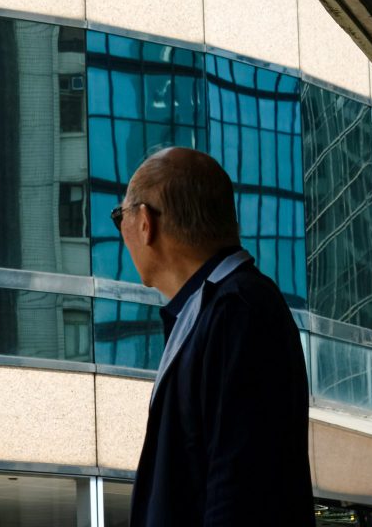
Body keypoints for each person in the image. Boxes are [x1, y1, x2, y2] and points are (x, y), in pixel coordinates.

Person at [116, 147, 312, 526]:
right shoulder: (218, 309)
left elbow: (239, 489)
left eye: (118, 216)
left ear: (144, 222)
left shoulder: (237, 310)